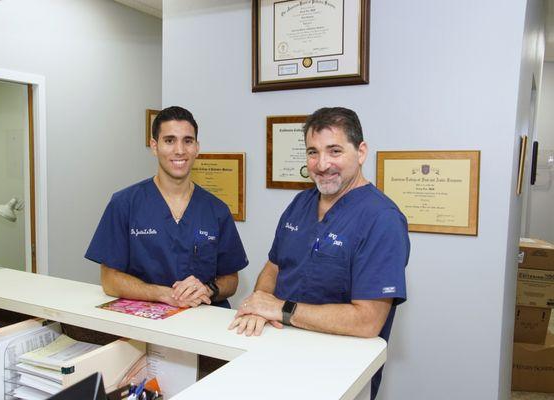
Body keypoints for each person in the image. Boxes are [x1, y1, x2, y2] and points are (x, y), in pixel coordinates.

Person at [229, 107, 409, 399]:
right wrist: (258, 305)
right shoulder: (301, 203)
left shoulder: (382, 219)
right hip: (277, 352)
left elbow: (368, 320)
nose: (322, 164)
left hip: (337, 368)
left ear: (361, 152)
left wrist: (280, 309)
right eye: (313, 152)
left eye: (334, 151)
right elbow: (274, 267)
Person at [86, 106, 248, 308]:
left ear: (197, 147)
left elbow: (231, 279)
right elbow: (109, 280)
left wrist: (208, 289)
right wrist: (162, 294)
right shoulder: (124, 204)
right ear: (154, 146)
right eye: (169, 141)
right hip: (145, 324)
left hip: (203, 322)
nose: (179, 150)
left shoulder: (216, 210)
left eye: (187, 141)